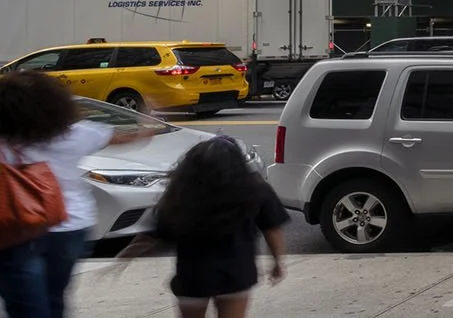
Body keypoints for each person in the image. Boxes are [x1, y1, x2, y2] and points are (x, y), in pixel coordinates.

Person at [0, 70, 154, 318]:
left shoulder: (5, 141)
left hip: (16, 227)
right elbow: (131, 138)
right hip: (70, 224)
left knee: (25, 304)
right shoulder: (79, 134)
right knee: (55, 297)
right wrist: (150, 118)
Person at [126, 137, 288, 318]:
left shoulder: (181, 192)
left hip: (193, 276)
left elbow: (160, 233)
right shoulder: (255, 188)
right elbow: (272, 229)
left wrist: (125, 256)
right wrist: (277, 262)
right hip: (236, 274)